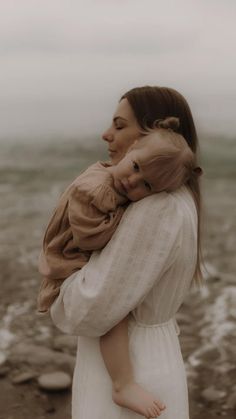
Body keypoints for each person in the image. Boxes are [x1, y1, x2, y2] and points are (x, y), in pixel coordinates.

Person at [50, 86, 202, 419]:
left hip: (133, 366)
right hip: (146, 356)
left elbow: (88, 308)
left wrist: (60, 281)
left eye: (120, 125)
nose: (106, 134)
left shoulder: (157, 209)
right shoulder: (172, 200)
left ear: (152, 134)